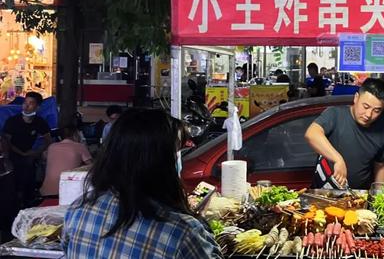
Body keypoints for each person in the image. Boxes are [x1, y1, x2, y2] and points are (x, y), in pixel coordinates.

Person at [63, 108, 221, 258]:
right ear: (159, 161)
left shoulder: (77, 210)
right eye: (176, 152)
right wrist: (199, 220)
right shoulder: (181, 231)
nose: (178, 159)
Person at [304, 78, 384, 189]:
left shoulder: (381, 133)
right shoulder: (335, 115)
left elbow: (381, 166)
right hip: (323, 196)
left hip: (358, 199)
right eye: (366, 106)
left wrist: (379, 196)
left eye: (376, 110)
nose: (368, 114)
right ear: (356, 98)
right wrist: (338, 159)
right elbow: (312, 134)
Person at [2, 91, 51, 206]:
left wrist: (36, 152)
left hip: (28, 156)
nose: (26, 105)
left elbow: (48, 140)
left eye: (31, 103)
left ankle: (27, 199)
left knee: (29, 170)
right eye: (25, 102)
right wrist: (19, 154)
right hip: (11, 155)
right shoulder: (13, 121)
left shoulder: (40, 122)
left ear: (37, 107)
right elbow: (6, 142)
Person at [40, 125, 92, 197]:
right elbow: (91, 166)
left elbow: (44, 158)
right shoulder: (80, 146)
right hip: (67, 193)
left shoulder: (51, 147)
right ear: (75, 135)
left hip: (46, 192)